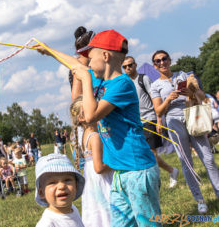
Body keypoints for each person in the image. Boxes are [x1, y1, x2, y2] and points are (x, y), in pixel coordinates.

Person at [35, 29, 161, 227]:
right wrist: (48, 50)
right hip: (121, 172)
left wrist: (85, 78)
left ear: (105, 56)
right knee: (120, 224)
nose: (87, 63)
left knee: (148, 223)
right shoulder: (100, 80)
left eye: (90, 57)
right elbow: (75, 65)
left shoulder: (122, 84)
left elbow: (91, 115)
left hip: (138, 170)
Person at [150, 50, 219, 214]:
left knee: (208, 158)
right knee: (186, 162)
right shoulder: (155, 86)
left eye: (164, 59)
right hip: (174, 121)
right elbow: (159, 111)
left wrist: (192, 93)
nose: (162, 63)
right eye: (157, 61)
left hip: (193, 115)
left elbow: (203, 97)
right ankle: (199, 199)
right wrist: (168, 99)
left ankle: (218, 192)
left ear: (169, 60)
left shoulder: (184, 75)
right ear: (154, 65)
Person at [122, 56, 179, 188]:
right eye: (124, 67)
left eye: (130, 65)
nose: (128, 68)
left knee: (151, 153)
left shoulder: (143, 79)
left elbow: (155, 98)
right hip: (136, 122)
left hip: (149, 119)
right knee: (143, 153)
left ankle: (156, 181)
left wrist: (159, 119)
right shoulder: (125, 82)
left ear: (135, 65)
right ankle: (170, 170)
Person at [70, 96, 112, 227]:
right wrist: (116, 162)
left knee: (96, 209)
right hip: (101, 180)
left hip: (91, 180)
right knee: (106, 207)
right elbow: (99, 168)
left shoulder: (85, 135)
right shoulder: (95, 137)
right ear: (82, 118)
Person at [35, 154, 85, 227]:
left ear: (76, 185)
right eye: (52, 182)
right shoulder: (47, 224)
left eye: (67, 180)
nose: (61, 186)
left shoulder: (73, 209)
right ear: (41, 193)